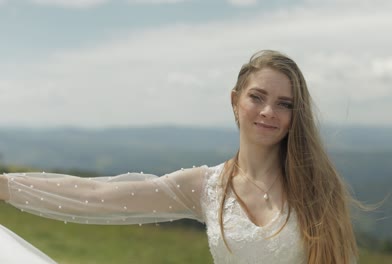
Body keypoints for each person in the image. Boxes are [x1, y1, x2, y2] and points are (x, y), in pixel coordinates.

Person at [0, 50, 358, 263]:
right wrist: (4, 186)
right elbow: (96, 196)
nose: (268, 111)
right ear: (235, 101)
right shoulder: (206, 186)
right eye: (257, 97)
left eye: (284, 104)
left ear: (297, 116)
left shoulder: (318, 188)